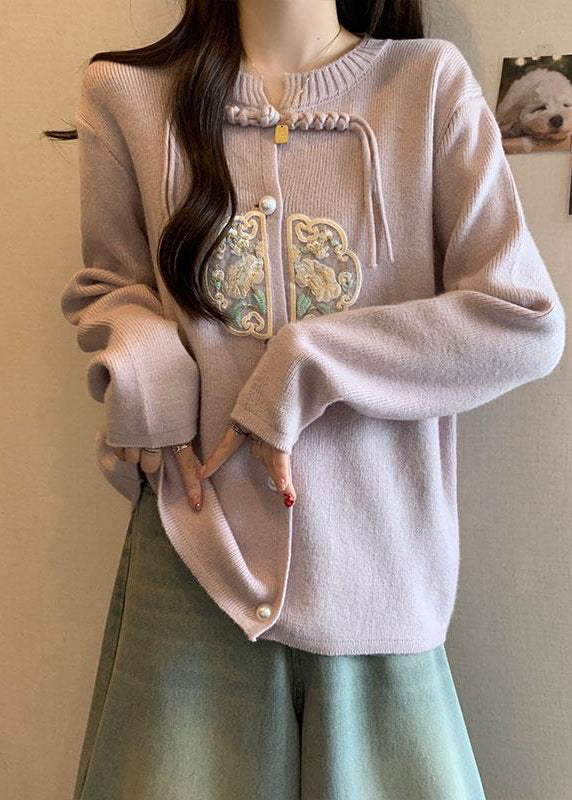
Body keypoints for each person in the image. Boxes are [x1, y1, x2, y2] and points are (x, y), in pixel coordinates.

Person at [49, 0, 565, 797]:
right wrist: (150, 380)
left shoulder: (427, 86)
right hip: (194, 556)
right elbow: (111, 288)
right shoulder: (126, 94)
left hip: (376, 566)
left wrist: (309, 360)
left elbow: (522, 320)